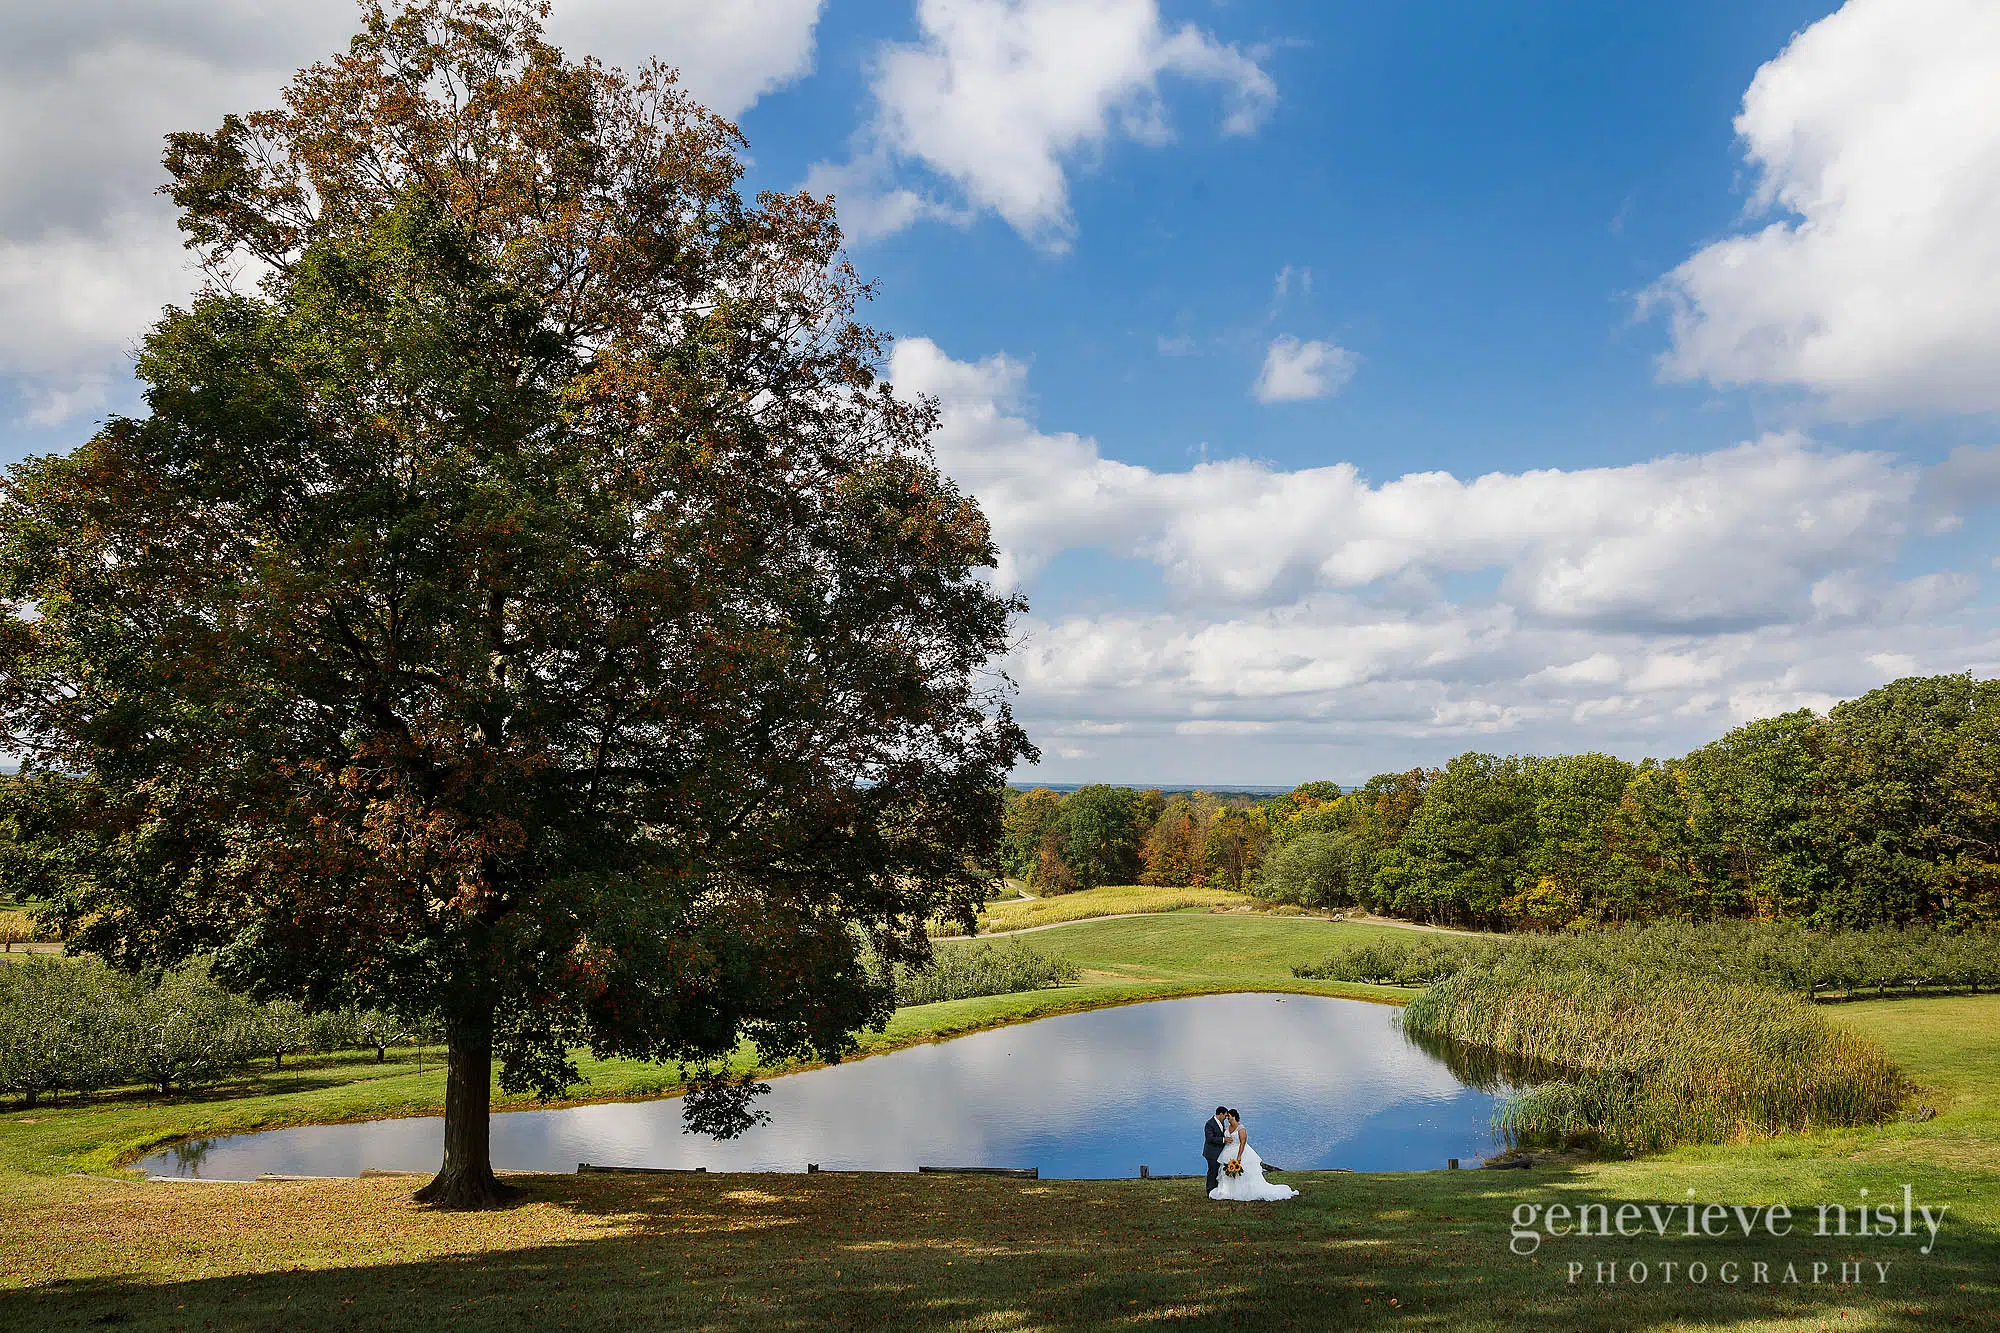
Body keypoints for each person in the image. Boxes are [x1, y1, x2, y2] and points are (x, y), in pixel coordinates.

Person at [1209, 1108, 1298, 1202]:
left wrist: (1239, 1156)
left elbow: (1243, 1143)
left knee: (1243, 1173)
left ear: (1234, 1116)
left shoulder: (1241, 1128)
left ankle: (1242, 1191)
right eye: (1227, 1116)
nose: (1227, 1118)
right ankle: (1229, 1191)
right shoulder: (1227, 1128)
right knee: (1227, 1171)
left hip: (1239, 1151)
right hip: (1228, 1152)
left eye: (1229, 1116)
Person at [1202, 1105, 1229, 1193]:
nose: (1226, 1118)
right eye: (1225, 1115)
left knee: (1217, 1171)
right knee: (1212, 1171)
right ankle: (1210, 1191)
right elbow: (1209, 1138)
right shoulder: (1209, 1123)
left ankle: (1216, 1189)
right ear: (1220, 1114)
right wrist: (1223, 1140)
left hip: (1218, 1152)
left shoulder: (1221, 1122)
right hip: (1211, 1152)